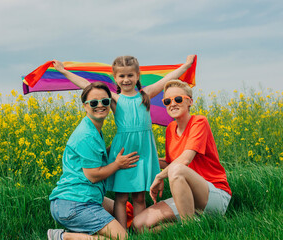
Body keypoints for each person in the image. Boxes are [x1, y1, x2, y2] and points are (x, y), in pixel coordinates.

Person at [52, 55, 196, 228]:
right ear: (115, 78)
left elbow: (167, 78)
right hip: (123, 151)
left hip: (143, 151)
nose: (126, 79)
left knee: (139, 197)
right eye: (121, 76)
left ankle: (139, 227)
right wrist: (63, 71)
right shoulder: (114, 98)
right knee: (120, 197)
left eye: (130, 75)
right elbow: (87, 86)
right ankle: (122, 231)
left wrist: (186, 65)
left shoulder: (146, 94)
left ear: (137, 76)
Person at [132, 80, 232, 231]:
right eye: (167, 101)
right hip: (186, 195)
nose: (172, 104)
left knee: (177, 170)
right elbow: (170, 163)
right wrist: (145, 158)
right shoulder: (170, 129)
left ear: (189, 101)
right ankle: (195, 224)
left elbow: (184, 160)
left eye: (178, 99)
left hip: (213, 194)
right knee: (139, 225)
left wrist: (159, 177)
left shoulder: (199, 122)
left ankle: (189, 229)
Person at [48, 82, 139, 240]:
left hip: (80, 198)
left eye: (105, 101)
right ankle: (64, 237)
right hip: (74, 203)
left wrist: (117, 146)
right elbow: (93, 175)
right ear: (85, 106)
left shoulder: (93, 128)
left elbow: (96, 157)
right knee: (122, 238)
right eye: (94, 103)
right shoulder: (86, 135)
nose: (100, 106)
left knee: (127, 210)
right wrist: (118, 164)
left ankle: (84, 230)